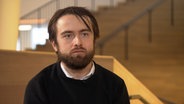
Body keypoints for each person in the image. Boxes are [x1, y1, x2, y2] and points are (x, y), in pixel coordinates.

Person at [24, 6, 130, 104]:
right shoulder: (39, 86)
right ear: (55, 44)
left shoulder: (115, 85)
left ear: (94, 39)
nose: (78, 42)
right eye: (68, 35)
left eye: (84, 34)